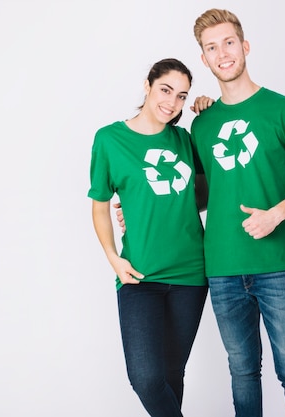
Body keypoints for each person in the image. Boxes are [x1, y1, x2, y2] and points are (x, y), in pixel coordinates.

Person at [190, 8, 285, 417]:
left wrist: (276, 214)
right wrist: (141, 210)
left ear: (245, 46)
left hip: (279, 265)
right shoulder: (201, 124)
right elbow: (202, 193)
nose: (222, 53)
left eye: (229, 42)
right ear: (204, 59)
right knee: (242, 372)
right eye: (211, 47)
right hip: (223, 267)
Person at [88, 58, 210, 417]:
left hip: (191, 274)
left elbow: (201, 197)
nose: (172, 103)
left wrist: (208, 111)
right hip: (139, 275)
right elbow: (99, 206)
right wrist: (113, 257)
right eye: (165, 90)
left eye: (182, 97)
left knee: (172, 373)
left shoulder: (186, 139)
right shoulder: (110, 140)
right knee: (145, 377)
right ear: (148, 85)